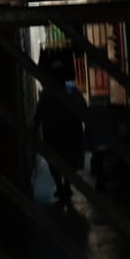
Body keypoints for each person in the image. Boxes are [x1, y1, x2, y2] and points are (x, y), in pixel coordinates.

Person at [34, 57, 89, 206]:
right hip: (63, 134)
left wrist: (35, 130)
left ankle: (63, 186)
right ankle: (63, 186)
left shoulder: (50, 93)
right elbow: (83, 109)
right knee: (65, 161)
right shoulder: (69, 91)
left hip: (57, 134)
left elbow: (38, 114)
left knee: (59, 161)